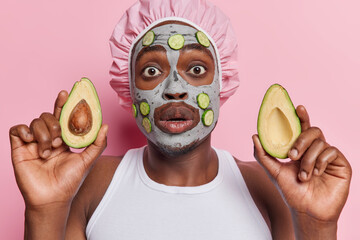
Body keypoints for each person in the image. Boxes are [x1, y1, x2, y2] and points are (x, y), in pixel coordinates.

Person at [9, 0, 352, 239]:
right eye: (152, 70)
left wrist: (317, 226)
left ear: (222, 84)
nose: (175, 89)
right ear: (130, 90)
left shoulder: (272, 189)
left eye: (197, 69)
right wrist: (45, 210)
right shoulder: (89, 185)